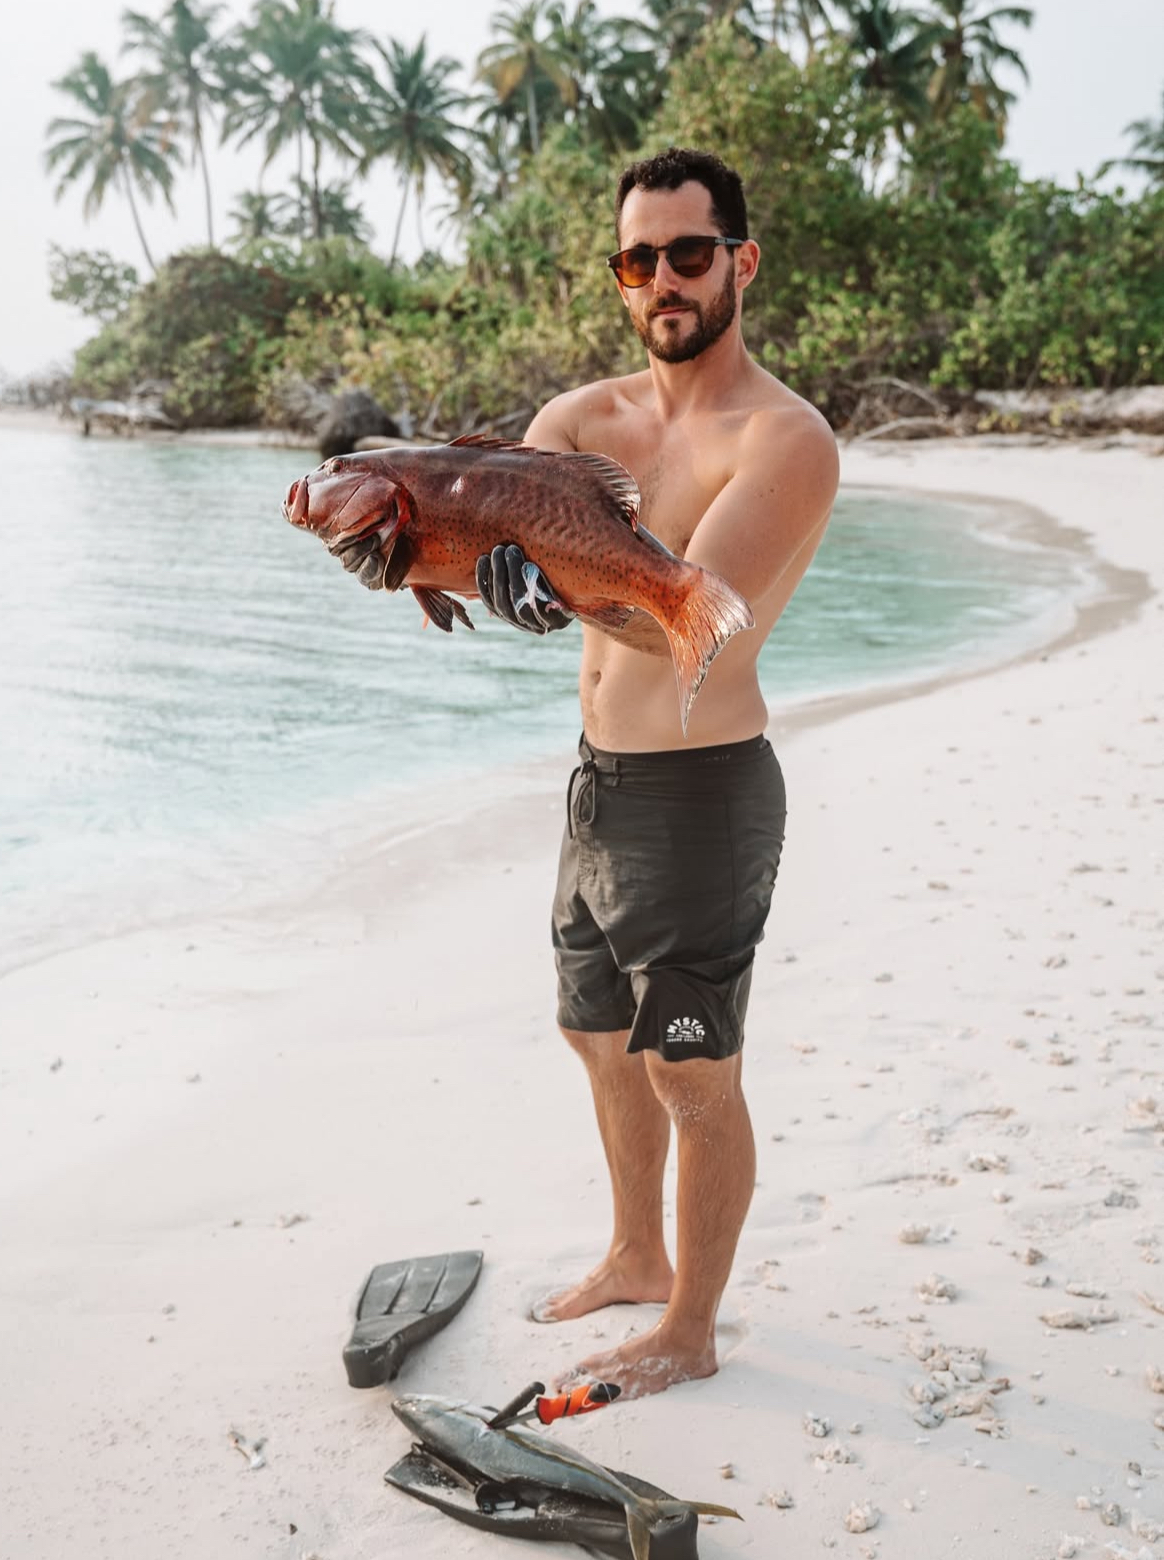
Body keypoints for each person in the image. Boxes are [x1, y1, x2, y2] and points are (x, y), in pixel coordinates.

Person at [350, 147, 839, 1399]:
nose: (663, 281)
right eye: (639, 261)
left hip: (702, 794)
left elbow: (687, 612)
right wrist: (407, 557)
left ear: (742, 259)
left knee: (691, 1064)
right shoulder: (576, 424)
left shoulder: (786, 439)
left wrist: (550, 584)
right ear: (619, 278)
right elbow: (485, 545)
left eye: (688, 254)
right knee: (595, 1037)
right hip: (597, 784)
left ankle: (691, 1324)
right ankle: (633, 1252)